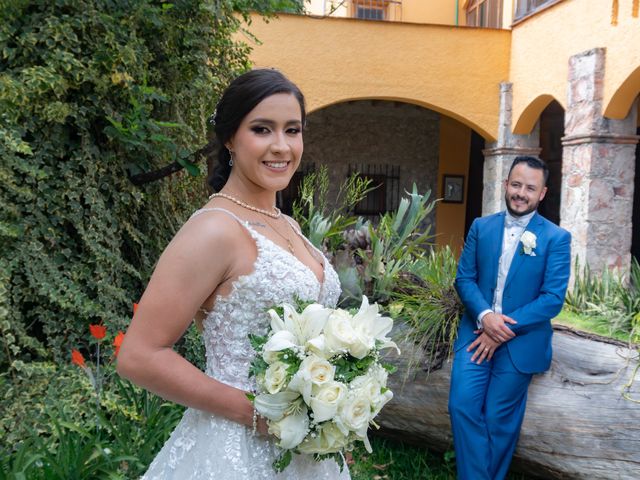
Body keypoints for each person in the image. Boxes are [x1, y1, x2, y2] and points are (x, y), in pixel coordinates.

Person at [116, 69, 350, 479]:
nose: (281, 146)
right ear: (230, 139)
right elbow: (138, 355)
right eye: (262, 129)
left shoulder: (286, 223)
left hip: (307, 449)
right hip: (234, 450)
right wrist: (259, 414)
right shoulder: (214, 229)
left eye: (292, 130)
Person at [448, 156, 571, 480]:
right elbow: (465, 279)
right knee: (462, 405)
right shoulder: (481, 227)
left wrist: (500, 328)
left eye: (530, 188)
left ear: (542, 193)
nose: (521, 193)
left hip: (521, 341)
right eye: (516, 184)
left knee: (499, 421)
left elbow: (552, 300)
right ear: (506, 185)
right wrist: (486, 316)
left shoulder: (557, 238)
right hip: (476, 332)